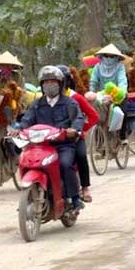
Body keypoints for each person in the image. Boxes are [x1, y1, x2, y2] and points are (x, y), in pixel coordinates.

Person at [12, 65, 84, 209]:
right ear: (42, 85)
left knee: (65, 164)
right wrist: (18, 129)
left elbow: (78, 119)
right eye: (46, 82)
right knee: (26, 161)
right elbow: (27, 119)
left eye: (53, 82)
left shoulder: (69, 103)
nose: (49, 85)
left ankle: (74, 198)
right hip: (40, 145)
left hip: (63, 145)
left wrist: (74, 130)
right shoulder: (37, 104)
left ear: (60, 84)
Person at [56, 65, 99, 203]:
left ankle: (85, 187)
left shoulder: (76, 98)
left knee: (80, 155)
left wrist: (81, 129)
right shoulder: (47, 99)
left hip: (74, 137)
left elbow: (93, 116)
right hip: (55, 136)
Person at [88, 43, 129, 143]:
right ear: (102, 56)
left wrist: (120, 93)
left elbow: (122, 81)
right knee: (97, 117)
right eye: (106, 56)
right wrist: (92, 94)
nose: (109, 58)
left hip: (117, 94)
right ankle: (99, 144)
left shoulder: (120, 66)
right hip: (102, 95)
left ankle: (122, 136)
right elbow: (93, 82)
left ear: (116, 57)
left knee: (123, 112)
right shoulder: (97, 67)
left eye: (112, 56)